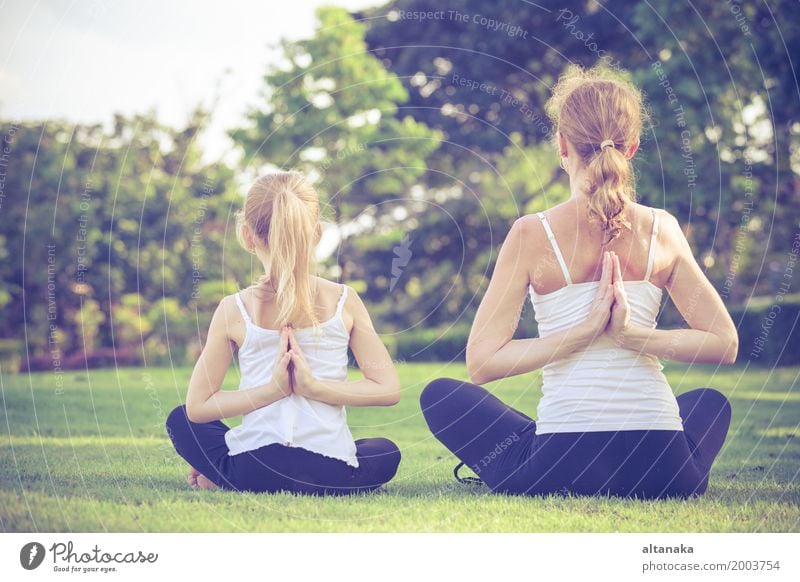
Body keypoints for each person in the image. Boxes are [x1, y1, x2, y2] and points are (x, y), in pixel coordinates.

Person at [420, 66, 738, 499]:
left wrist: (580, 336)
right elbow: (725, 344)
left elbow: (481, 364)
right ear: (632, 148)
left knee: (441, 395)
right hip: (665, 471)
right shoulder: (662, 229)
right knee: (710, 402)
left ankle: (543, 445)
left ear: (562, 146)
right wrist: (633, 336)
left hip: (558, 466)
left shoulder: (531, 234)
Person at [166, 171, 401, 495]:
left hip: (252, 469)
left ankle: (221, 473)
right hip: (329, 473)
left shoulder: (234, 308)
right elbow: (387, 389)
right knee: (384, 450)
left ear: (247, 237)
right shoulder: (344, 300)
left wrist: (272, 391)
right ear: (316, 233)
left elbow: (197, 408)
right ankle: (228, 472)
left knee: (180, 420)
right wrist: (313, 388)